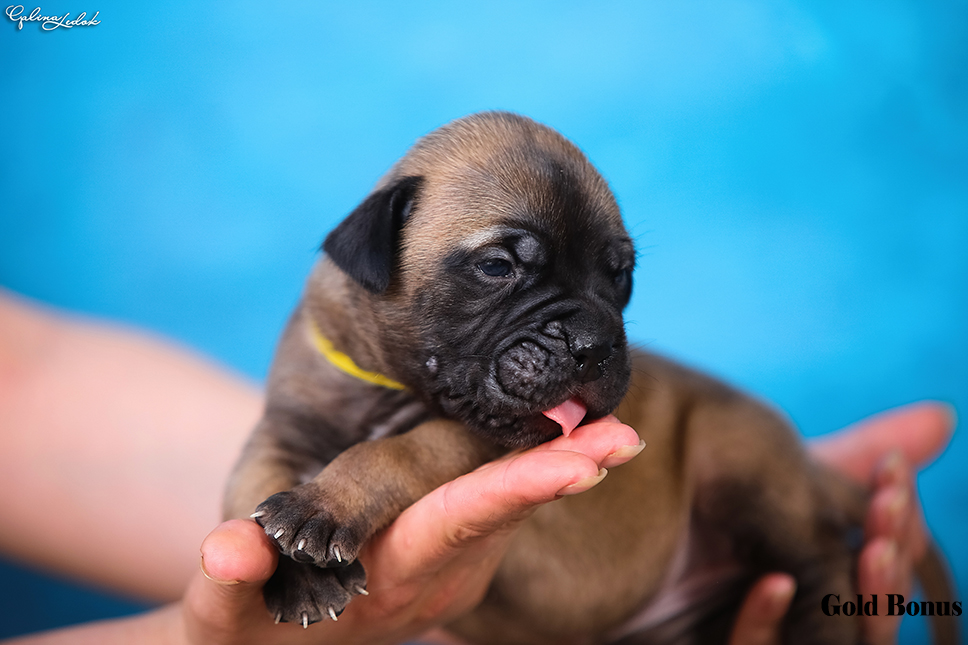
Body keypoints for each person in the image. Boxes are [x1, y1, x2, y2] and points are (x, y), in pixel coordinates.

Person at [0, 290, 954, 645]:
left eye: (611, 284)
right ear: (374, 255)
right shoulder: (326, 344)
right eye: (502, 268)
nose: (585, 332)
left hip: (671, 526)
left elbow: (24, 378)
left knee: (829, 578)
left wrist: (329, 514)